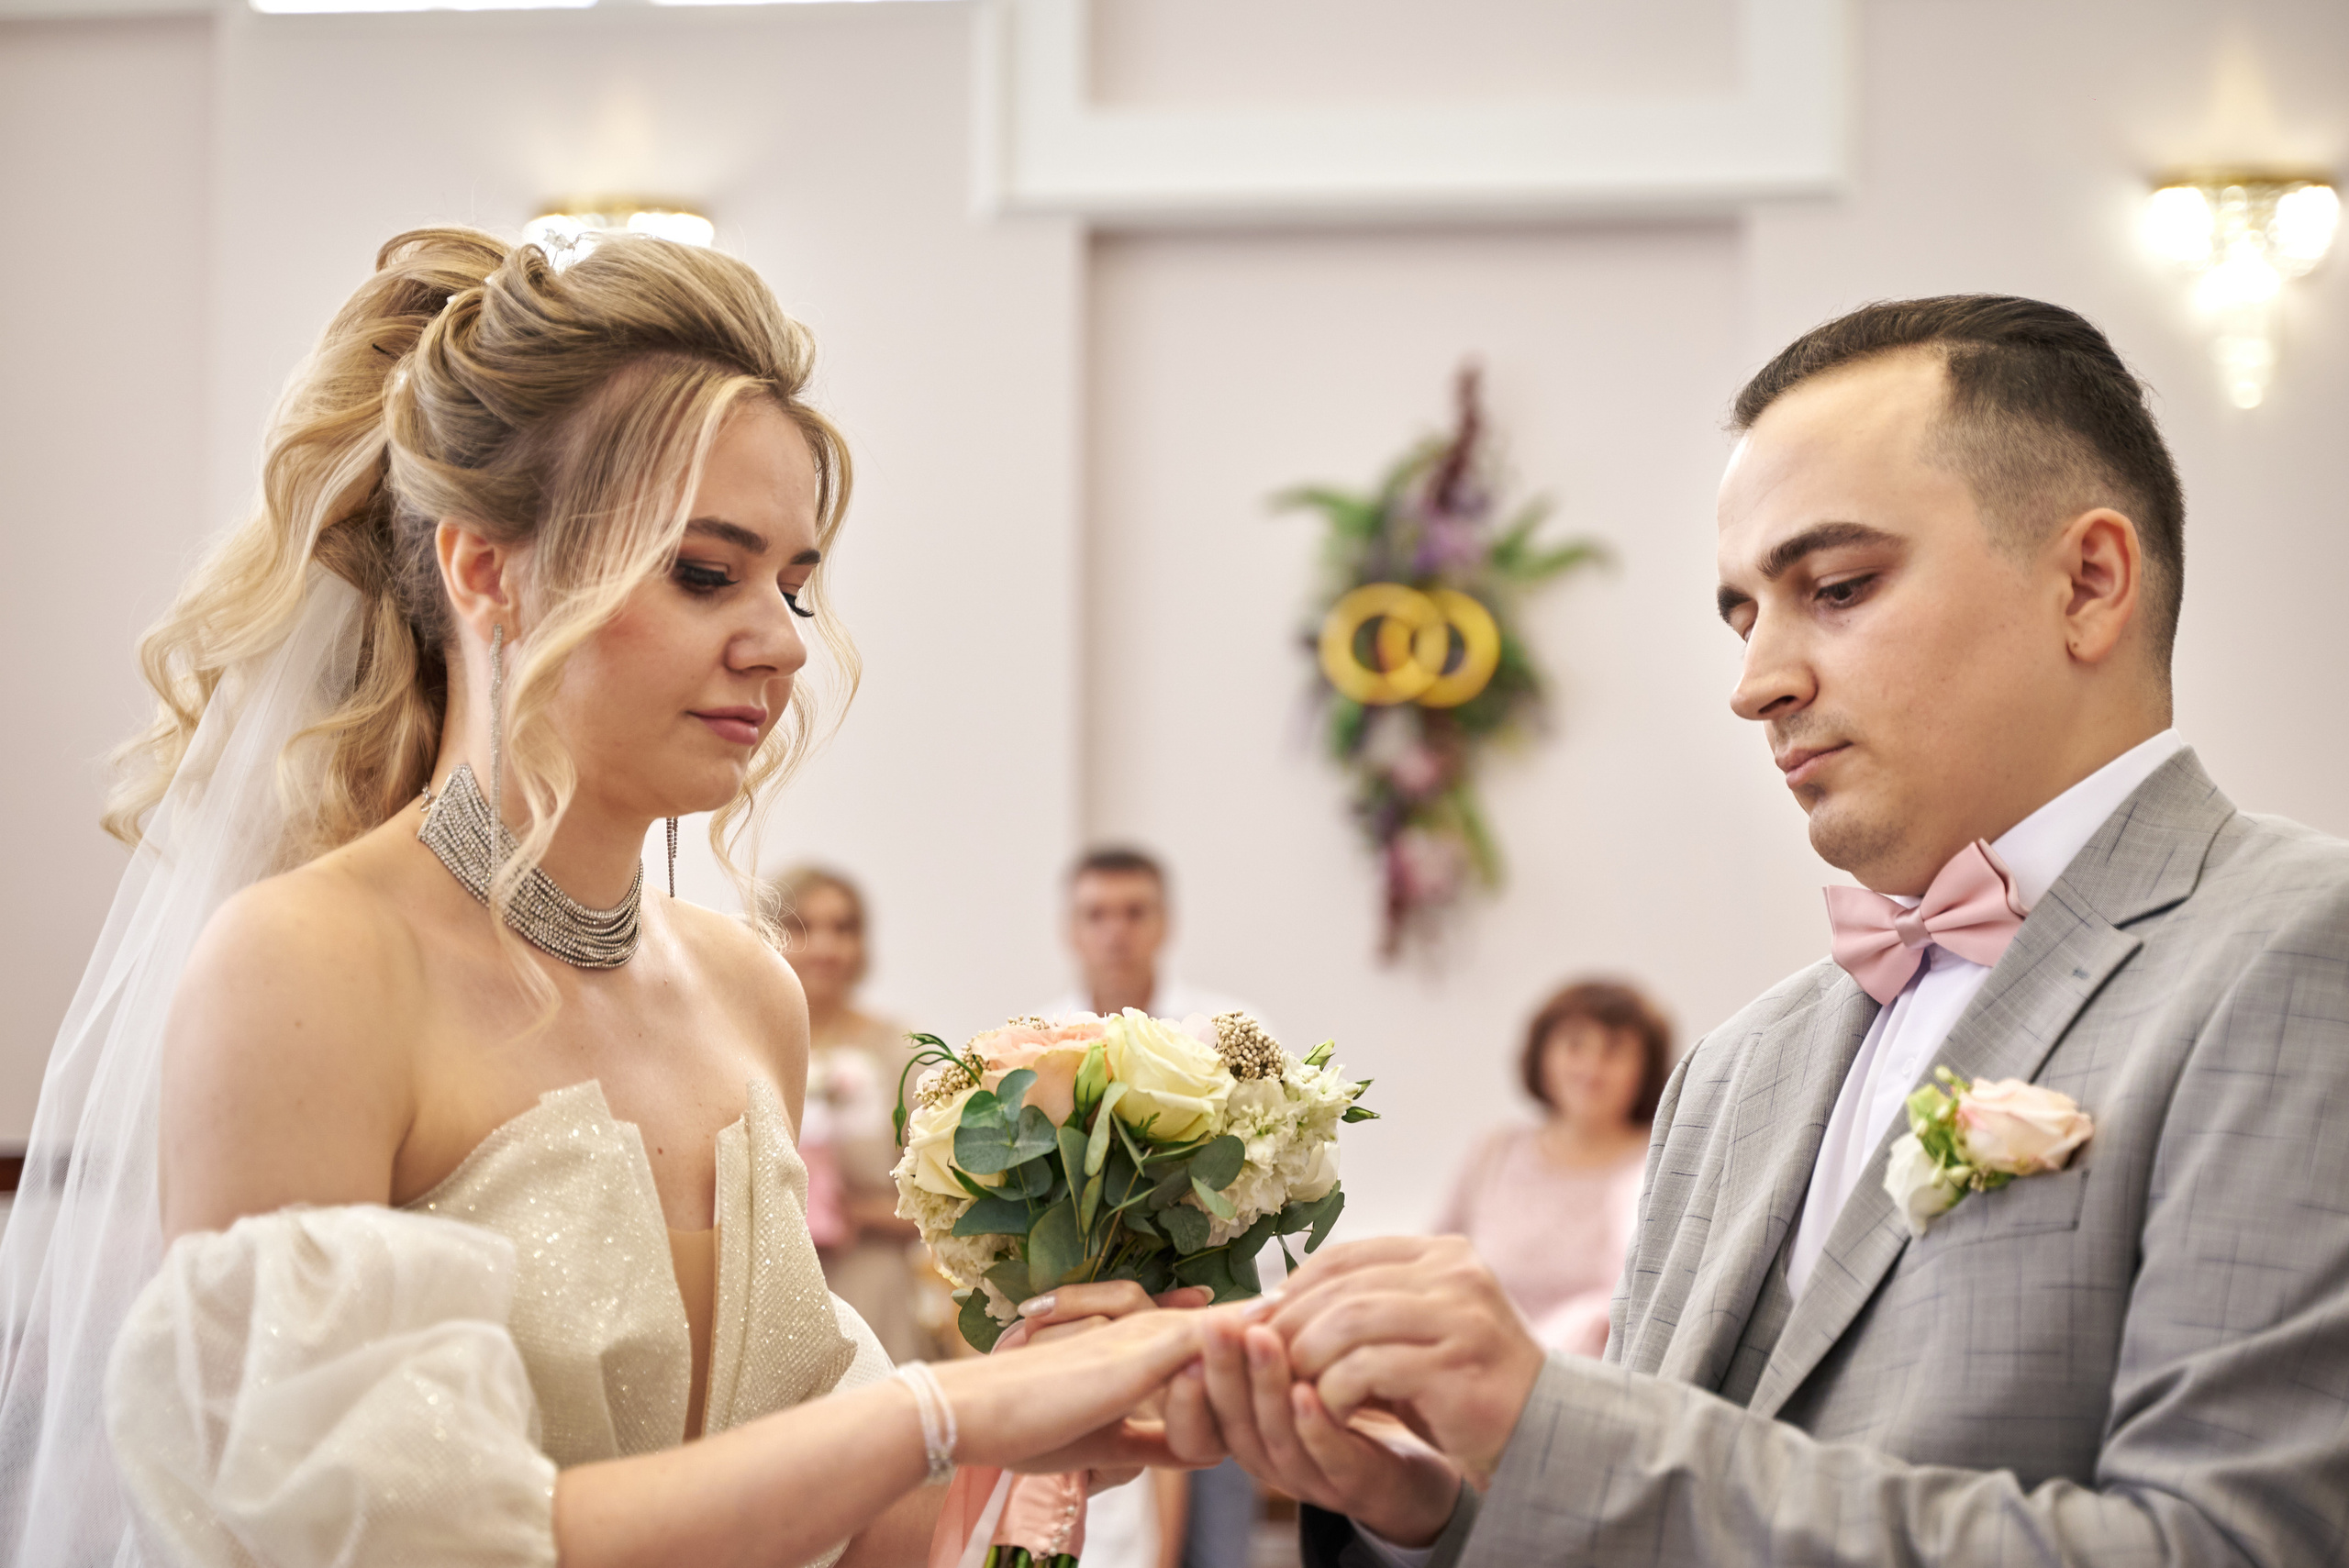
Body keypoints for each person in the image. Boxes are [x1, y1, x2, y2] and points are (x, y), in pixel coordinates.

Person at [0, 227, 1201, 1567]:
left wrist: (1038, 1414)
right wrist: (937, 1410)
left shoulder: (752, 993)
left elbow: (831, 1526)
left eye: (795, 583)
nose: (783, 644)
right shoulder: (311, 966)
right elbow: (394, 1542)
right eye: (706, 571)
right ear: (484, 569)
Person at [1174, 296, 2349, 1568]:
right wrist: (1439, 1511)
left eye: (1836, 588)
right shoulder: (1742, 1066)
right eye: (1743, 613)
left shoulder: (2296, 949)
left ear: (2088, 581)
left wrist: (1556, 1428)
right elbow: (1655, 1515)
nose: (1757, 685)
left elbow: (2231, 1546)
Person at [1041, 845, 1258, 1568]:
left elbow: (1264, 1175)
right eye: (1096, 914)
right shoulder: (1036, 1045)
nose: (1116, 931)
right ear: (1071, 928)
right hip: (1085, 1340)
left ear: (1164, 922)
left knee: (1218, 1548)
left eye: (1134, 911)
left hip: (1208, 1328)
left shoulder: (1227, 1030)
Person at [1435, 980, 1670, 1356]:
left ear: (1646, 1068)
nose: (1593, 1067)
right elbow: (1437, 1259)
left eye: (1615, 1050)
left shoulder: (1662, 1164)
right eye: (1575, 1045)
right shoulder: (1495, 1151)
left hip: (1594, 1381)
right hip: (1471, 1361)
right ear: (1542, 1055)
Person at [777, 863, 936, 1362]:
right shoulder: (745, 1046)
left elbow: (947, 1202)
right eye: (802, 927)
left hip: (872, 1283)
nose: (825, 946)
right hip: (773, 1288)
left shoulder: (901, 1051)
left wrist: (857, 1213)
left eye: (843, 928)